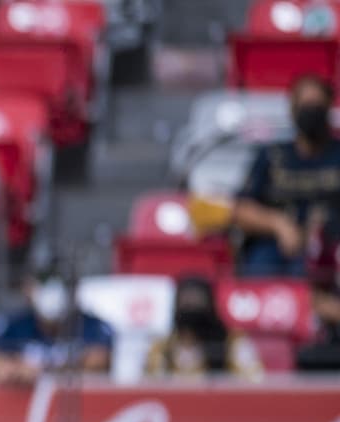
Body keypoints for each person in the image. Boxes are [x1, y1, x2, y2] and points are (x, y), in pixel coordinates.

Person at [233, 74, 340, 277]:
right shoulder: (272, 156)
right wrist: (278, 224)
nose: (311, 112)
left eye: (317, 106)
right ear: (293, 109)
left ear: (328, 107)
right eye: (305, 105)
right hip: (273, 248)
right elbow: (240, 210)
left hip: (330, 250)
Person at [0, 276, 113, 384]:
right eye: (43, 282)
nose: (52, 292)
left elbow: (99, 361)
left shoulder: (92, 325)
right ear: (28, 289)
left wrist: (43, 371)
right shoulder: (12, 323)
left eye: (61, 284)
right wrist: (7, 367)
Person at [145, 276, 263, 380]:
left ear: (210, 304)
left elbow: (253, 379)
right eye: (186, 302)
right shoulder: (162, 345)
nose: (191, 304)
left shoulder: (232, 341)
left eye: (197, 300)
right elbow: (150, 383)